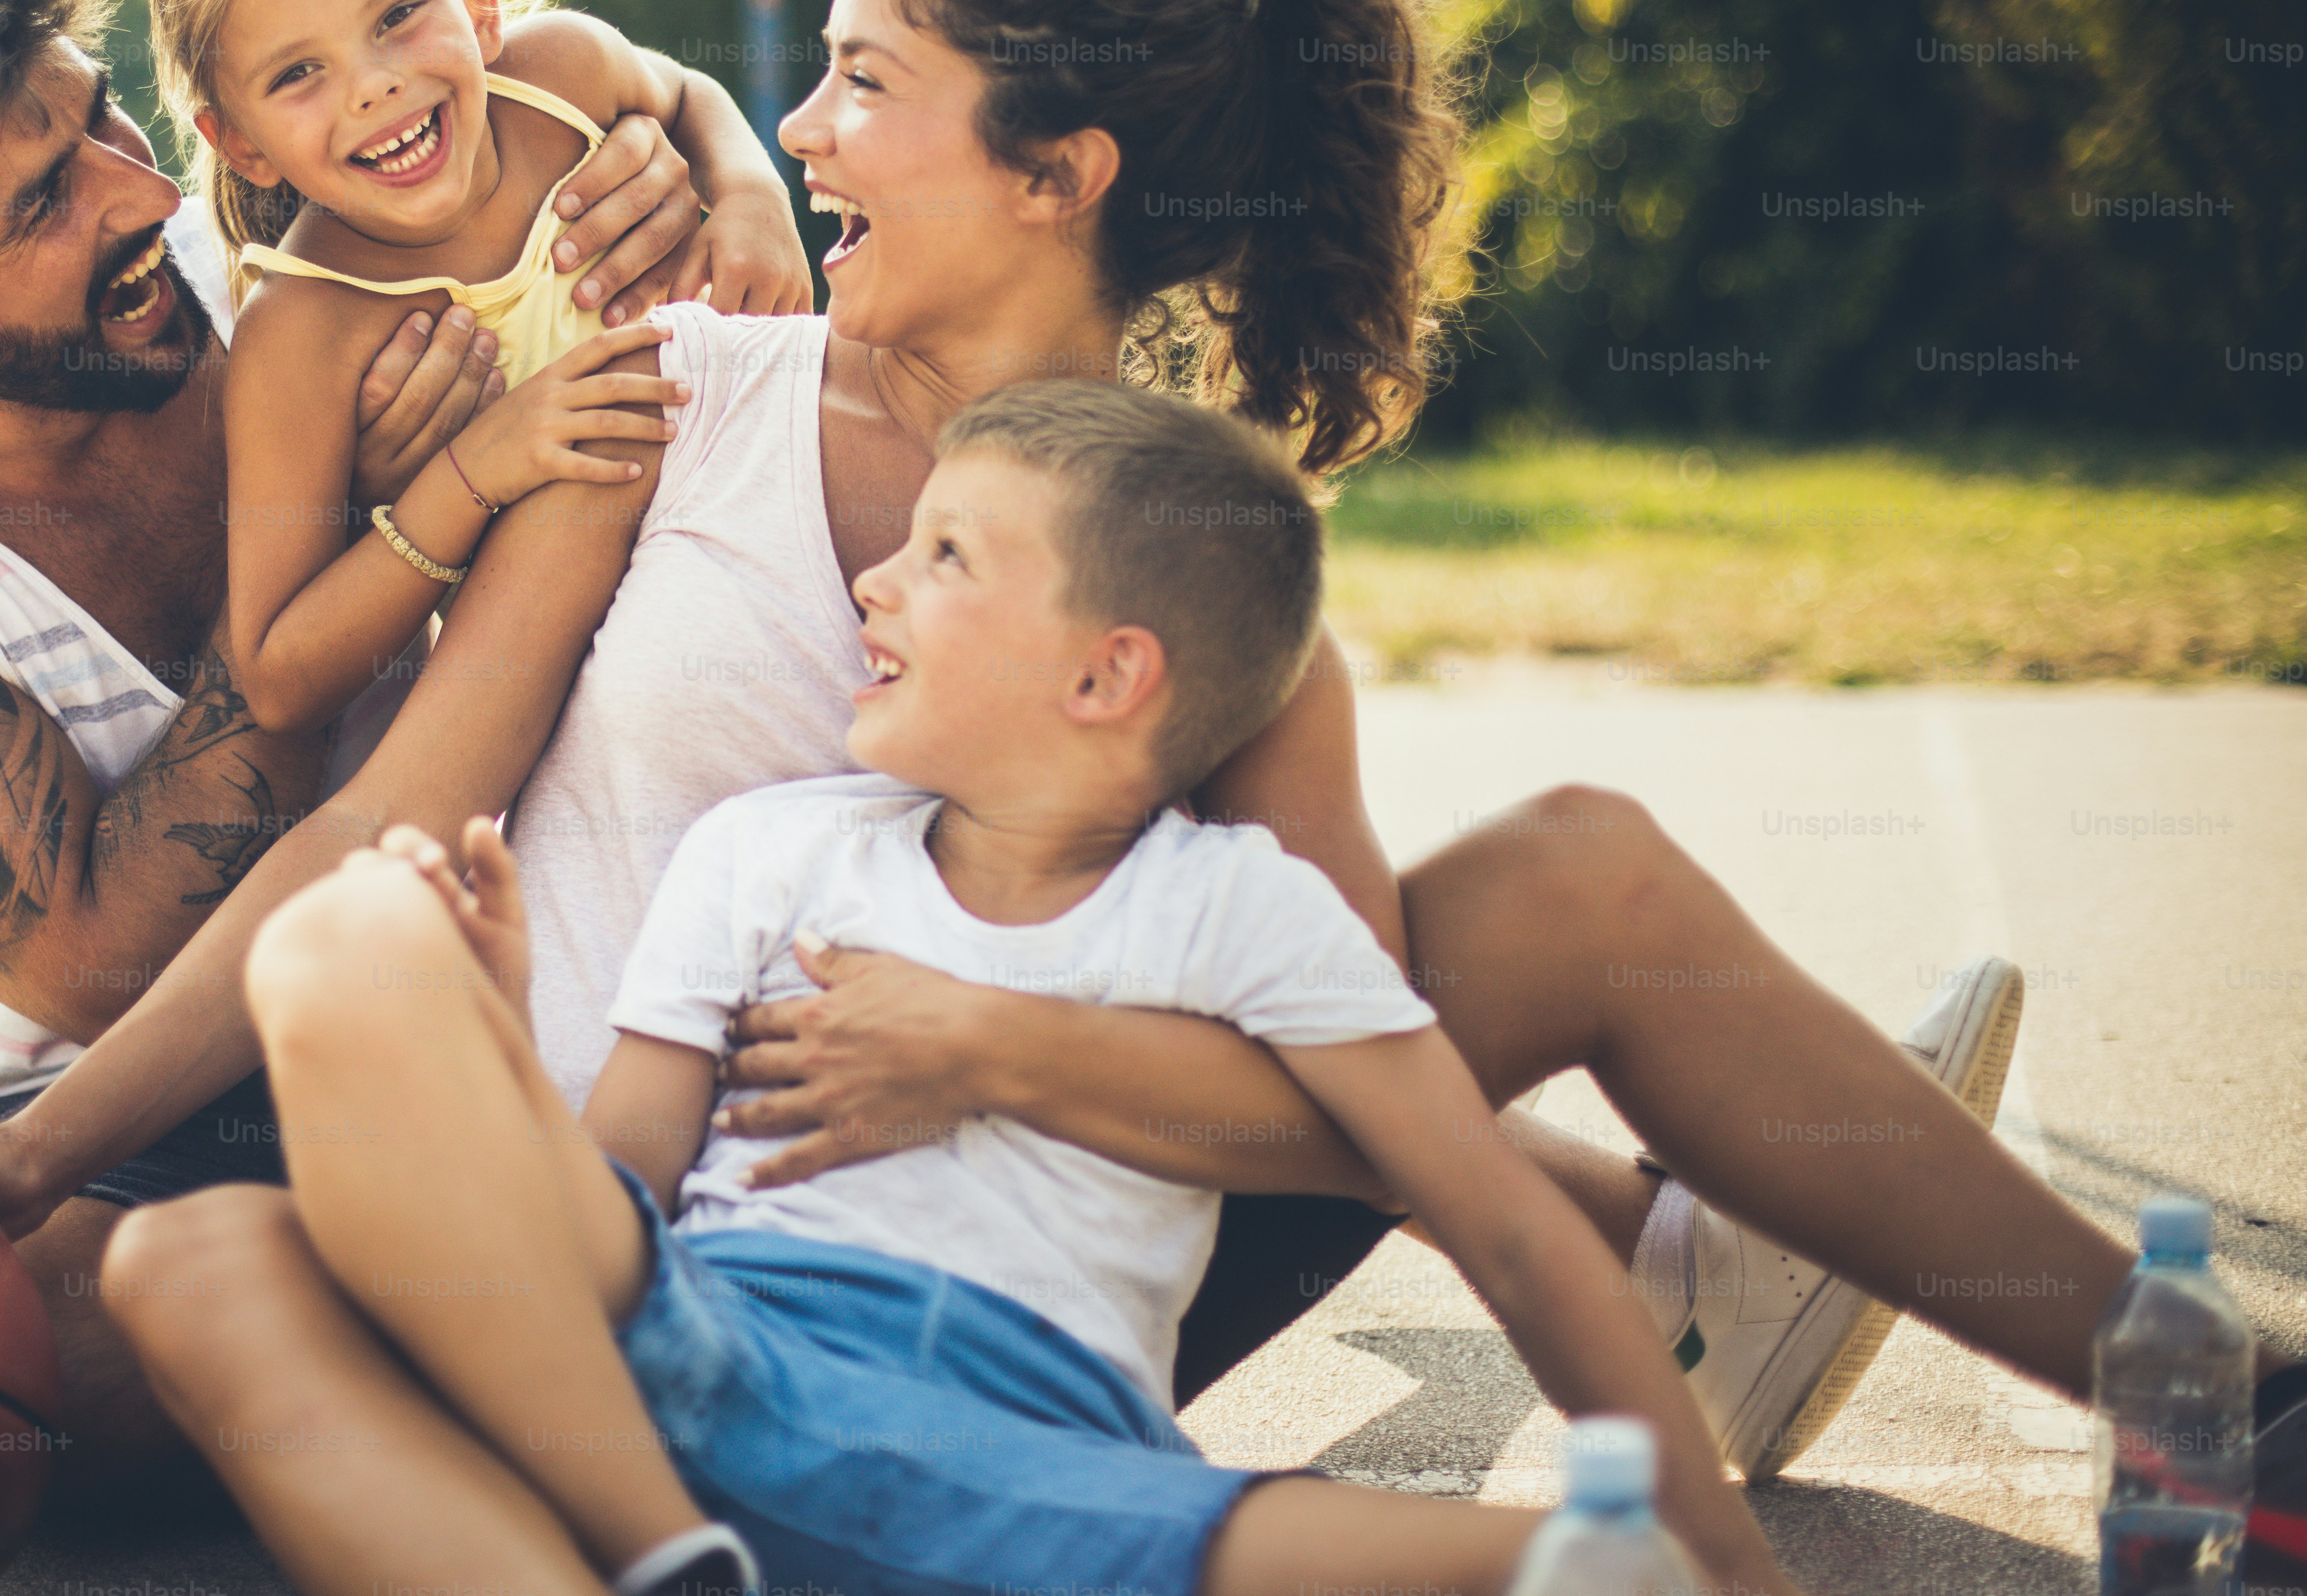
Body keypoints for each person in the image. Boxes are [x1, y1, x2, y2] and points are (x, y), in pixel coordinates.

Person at [0, 0, 2300, 1573]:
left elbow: (1326, 1068)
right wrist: (33, 1143)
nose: (784, 129)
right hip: (632, 1235)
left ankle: (2200, 1398)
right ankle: (1663, 1245)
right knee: (166, 1297)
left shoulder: (1196, 548)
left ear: (1056, 167)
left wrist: (983, 1046)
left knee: (1575, 876)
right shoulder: (667, 393)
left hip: (1023, 1238)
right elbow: (367, 815)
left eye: (851, 86)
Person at [200, 376, 1812, 1594]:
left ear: (1109, 674)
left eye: (946, 555)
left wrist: (1722, 1553)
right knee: (225, 1187)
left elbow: (1511, 1226)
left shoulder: (1241, 912)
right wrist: (478, 1037)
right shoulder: (765, 852)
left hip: (1021, 1434)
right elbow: (620, 1182)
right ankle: (668, 1557)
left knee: (1580, 1561)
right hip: (697, 1353)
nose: (875, 588)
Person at [0, 0, 809, 1485]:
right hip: (124, 1116)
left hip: (463, 970)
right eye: (45, 198)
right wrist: (383, 529)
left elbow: (610, 82)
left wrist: (718, 169)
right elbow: (106, 970)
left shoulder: (291, 245)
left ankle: (533, 1365)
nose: (139, 196)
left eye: (103, 116)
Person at [140, 0, 796, 736]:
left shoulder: (561, 77)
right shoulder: (302, 331)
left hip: (793, 529)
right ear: (240, 143)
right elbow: (280, 676)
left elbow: (688, 91)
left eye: (399, 16)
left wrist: (750, 193)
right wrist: (473, 470)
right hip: (602, 698)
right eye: (298, 74)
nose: (373, 84)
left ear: (479, 7)